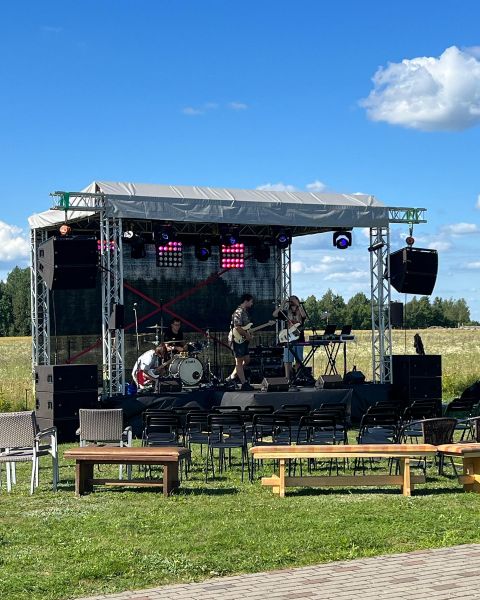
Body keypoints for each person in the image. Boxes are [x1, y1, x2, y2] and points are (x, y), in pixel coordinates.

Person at [273, 295, 307, 381]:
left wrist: (298, 305)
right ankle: (287, 377)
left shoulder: (301, 310)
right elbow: (275, 314)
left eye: (293, 299)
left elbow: (304, 316)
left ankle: (295, 374)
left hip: (299, 338)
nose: (291, 301)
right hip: (288, 338)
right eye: (290, 300)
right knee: (288, 360)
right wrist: (282, 304)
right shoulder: (286, 312)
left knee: (299, 359)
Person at [226, 294, 254, 391]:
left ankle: (232, 377)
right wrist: (246, 335)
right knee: (239, 361)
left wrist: (248, 334)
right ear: (246, 301)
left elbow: (244, 327)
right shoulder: (238, 312)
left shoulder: (245, 312)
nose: (252, 304)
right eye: (251, 301)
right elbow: (237, 327)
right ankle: (244, 383)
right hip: (236, 339)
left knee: (247, 360)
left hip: (242, 339)